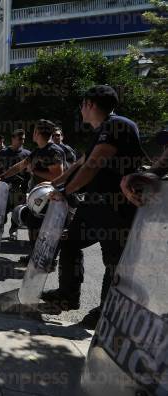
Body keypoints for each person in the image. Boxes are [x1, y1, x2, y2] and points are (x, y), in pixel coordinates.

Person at [44, 85, 147, 328]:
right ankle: (68, 295)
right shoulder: (101, 130)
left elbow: (93, 164)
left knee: (113, 261)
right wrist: (55, 184)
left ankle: (105, 313)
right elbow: (79, 164)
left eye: (82, 105)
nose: (80, 110)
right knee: (69, 242)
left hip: (116, 207)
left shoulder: (117, 125)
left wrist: (65, 191)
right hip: (94, 205)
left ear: (90, 104)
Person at [0, 120, 65, 256]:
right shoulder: (38, 151)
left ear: (37, 133)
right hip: (39, 197)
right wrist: (2, 177)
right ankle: (35, 255)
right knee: (31, 222)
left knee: (44, 229)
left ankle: (47, 259)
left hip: (51, 197)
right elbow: (20, 166)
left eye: (34, 131)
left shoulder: (52, 151)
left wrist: (34, 172)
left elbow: (57, 176)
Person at [0, 129, 32, 240]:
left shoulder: (27, 154)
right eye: (20, 139)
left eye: (23, 139)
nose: (22, 141)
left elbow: (31, 170)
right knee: (2, 209)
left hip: (21, 187)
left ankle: (13, 230)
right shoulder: (4, 153)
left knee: (17, 210)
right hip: (4, 186)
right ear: (13, 138)